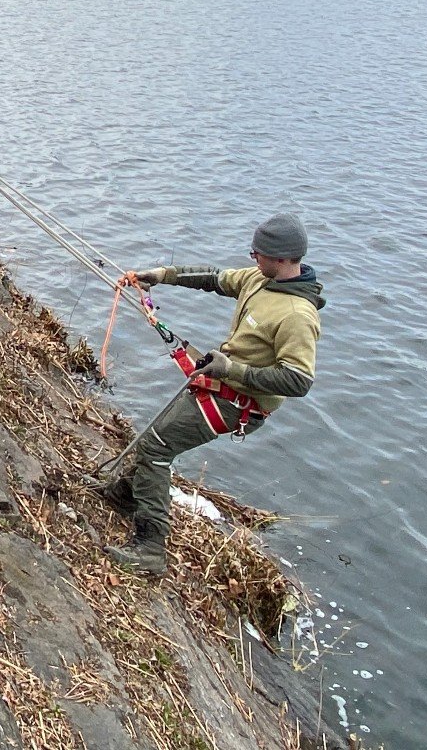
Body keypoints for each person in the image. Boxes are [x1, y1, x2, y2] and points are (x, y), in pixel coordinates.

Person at [102, 213, 325, 575]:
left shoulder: (298, 316)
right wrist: (160, 276)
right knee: (156, 439)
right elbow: (213, 278)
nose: (253, 256)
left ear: (283, 259)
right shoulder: (258, 279)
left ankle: (150, 549)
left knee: (156, 447)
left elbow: (299, 381)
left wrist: (230, 369)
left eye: (259, 253)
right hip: (218, 383)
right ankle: (125, 495)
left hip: (238, 404)